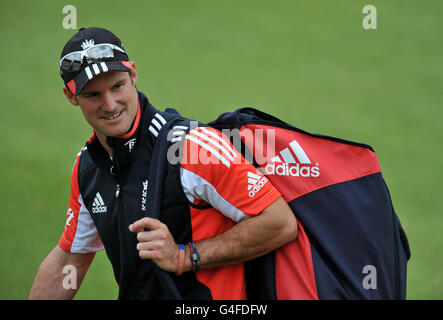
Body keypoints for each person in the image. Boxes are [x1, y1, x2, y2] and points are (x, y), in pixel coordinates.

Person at [28, 27, 297, 300]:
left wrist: (186, 256)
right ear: (71, 96)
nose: (109, 105)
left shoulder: (192, 147)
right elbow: (70, 260)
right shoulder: (87, 167)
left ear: (133, 74)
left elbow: (279, 222)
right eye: (92, 95)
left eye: (117, 86)